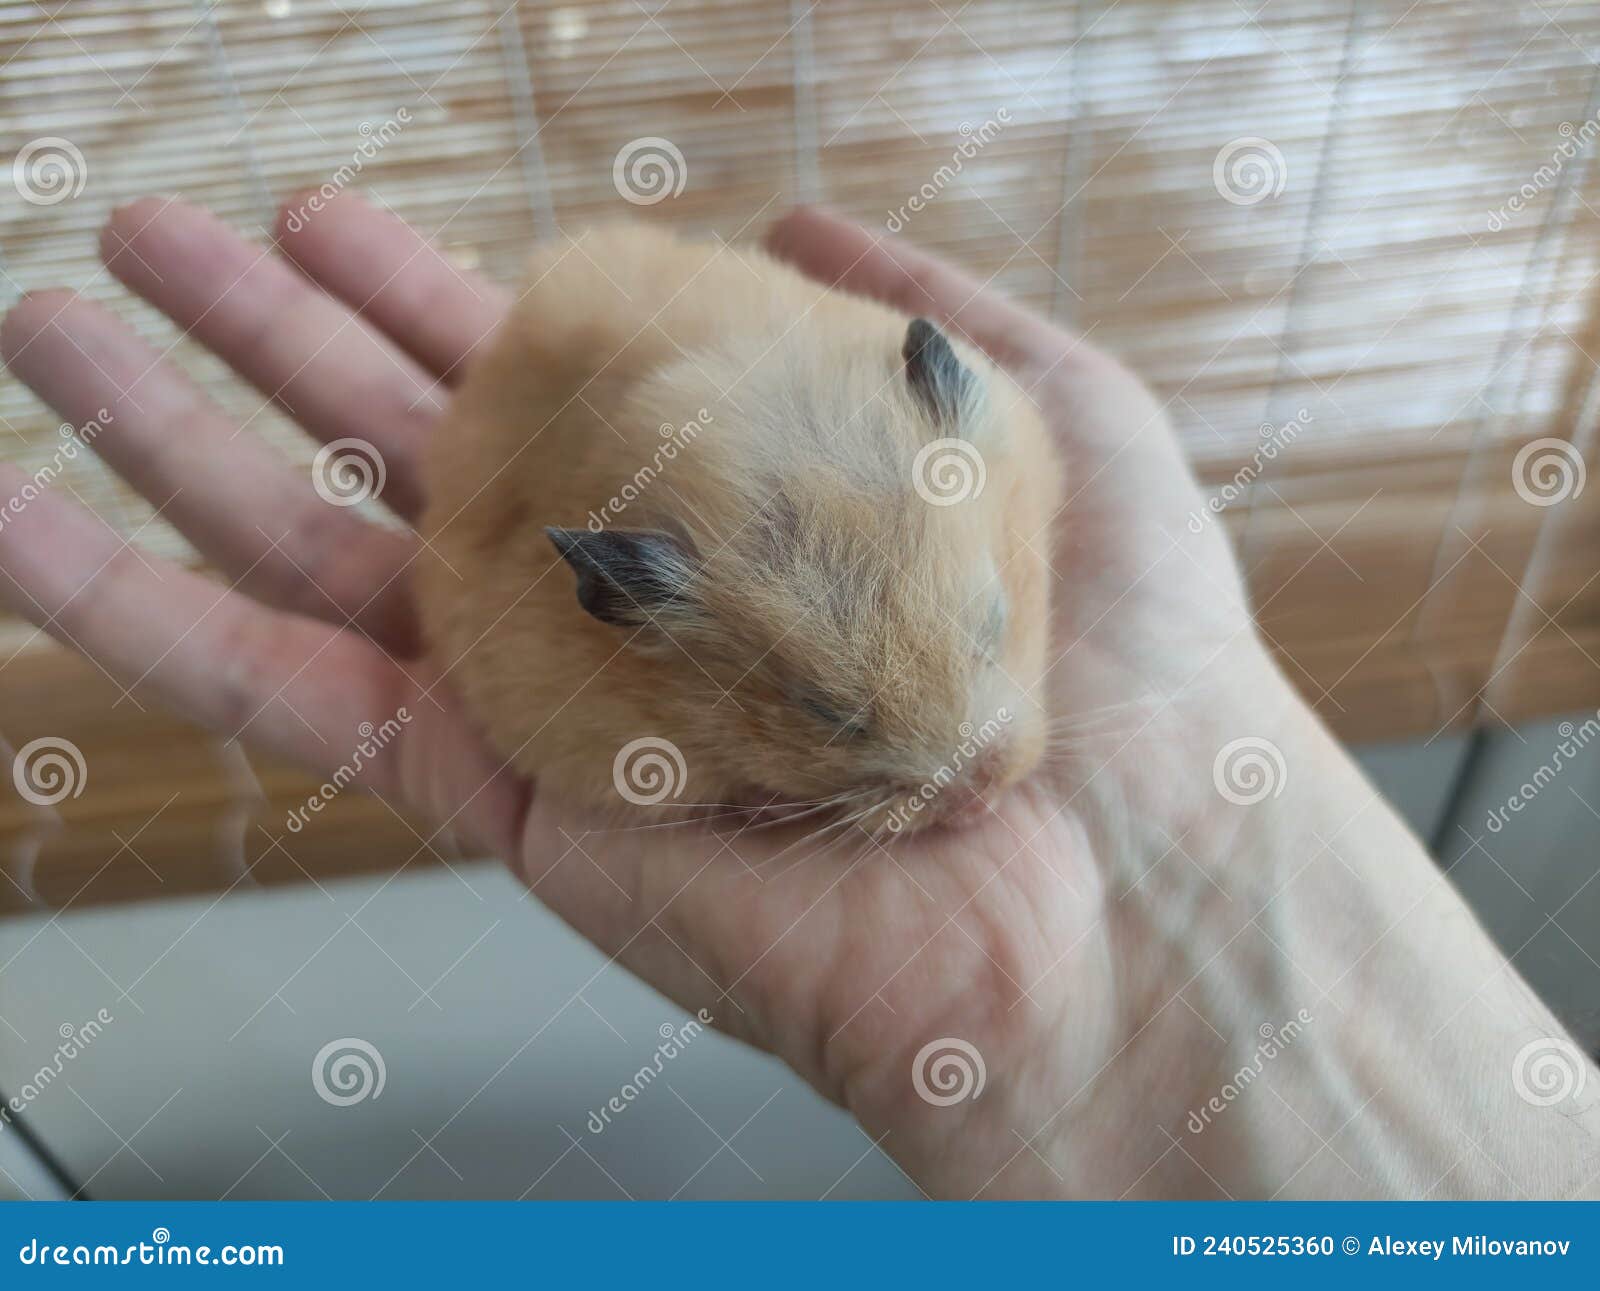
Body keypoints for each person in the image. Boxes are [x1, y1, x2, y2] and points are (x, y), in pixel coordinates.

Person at [1, 195, 1595, 1200]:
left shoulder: (954, 408)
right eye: (842, 722)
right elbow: (513, 662)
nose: (979, 782)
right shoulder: (587, 618)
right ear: (631, 612)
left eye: (988, 630)